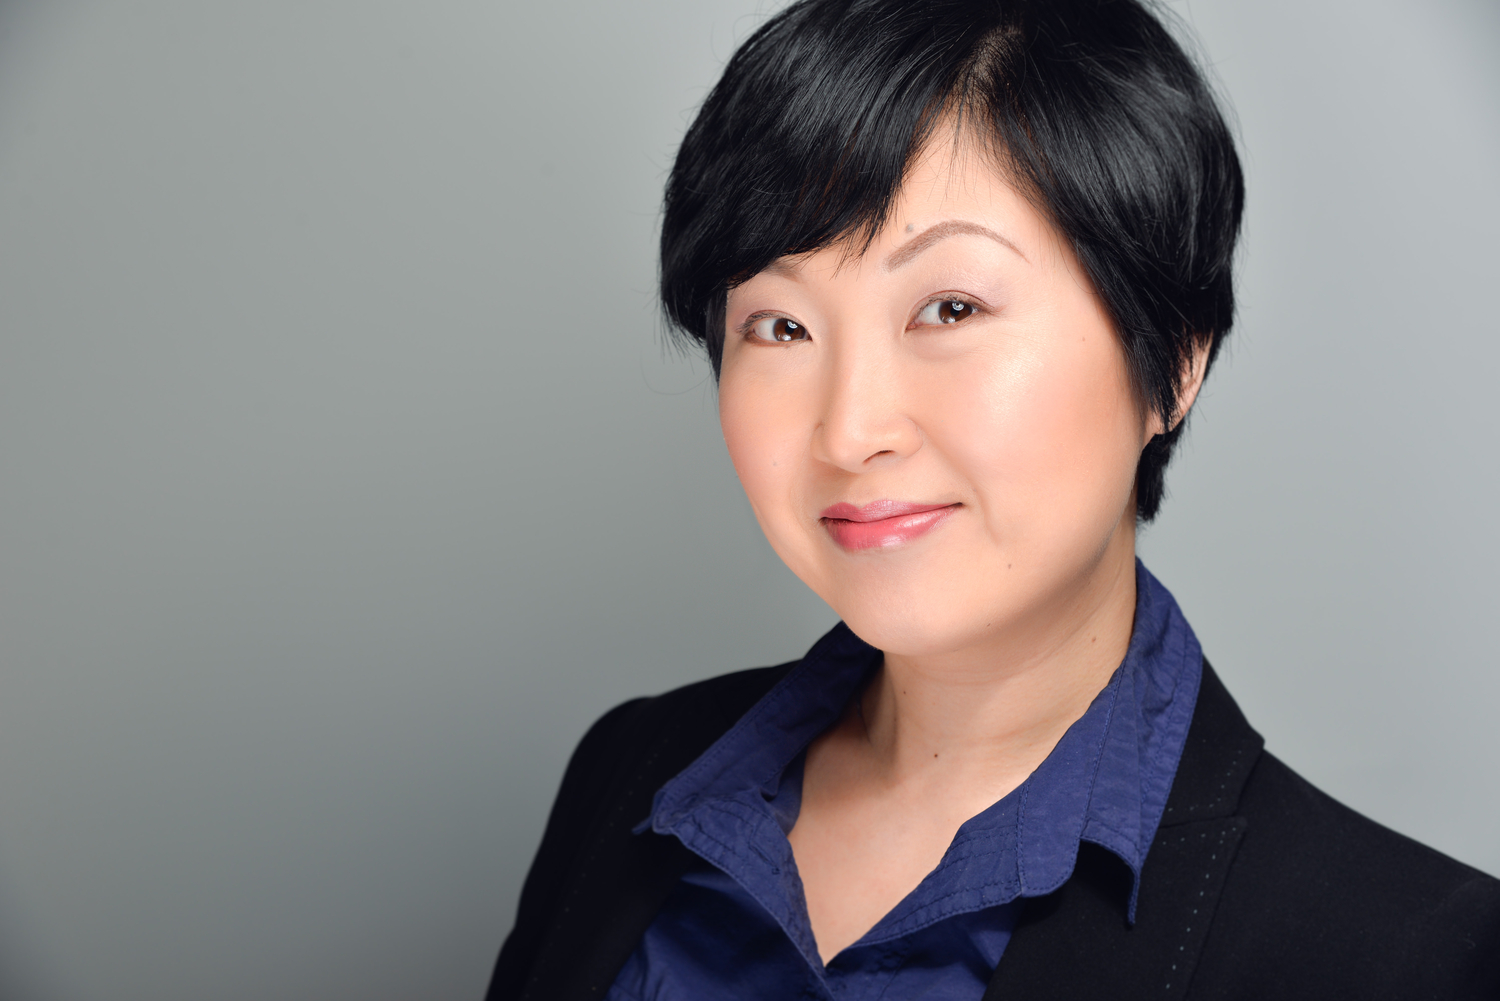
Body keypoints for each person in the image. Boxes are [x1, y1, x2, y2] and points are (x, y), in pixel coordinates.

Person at [485, 0, 1500, 997]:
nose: (849, 431)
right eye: (781, 326)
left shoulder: (1410, 956)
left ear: (1174, 359)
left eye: (950, 307)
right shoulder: (631, 771)